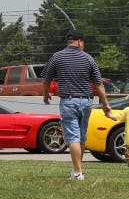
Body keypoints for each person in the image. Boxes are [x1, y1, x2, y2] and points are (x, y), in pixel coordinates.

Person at [42, 29, 112, 180]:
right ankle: (77, 170)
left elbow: (46, 79)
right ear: (80, 41)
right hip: (86, 101)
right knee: (81, 136)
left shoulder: (57, 57)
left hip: (68, 100)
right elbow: (99, 84)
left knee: (73, 137)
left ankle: (78, 172)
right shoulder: (88, 59)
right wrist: (106, 104)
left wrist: (46, 94)